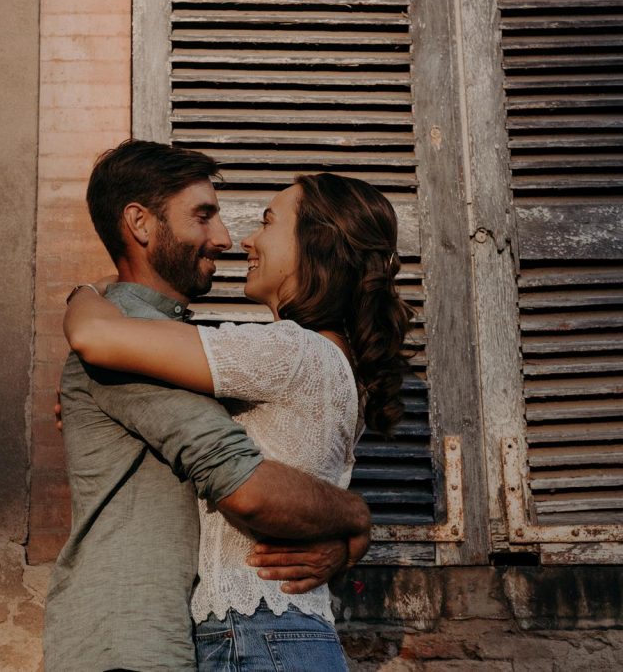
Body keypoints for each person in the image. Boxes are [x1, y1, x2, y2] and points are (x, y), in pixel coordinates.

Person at [44, 140, 375, 672]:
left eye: (264, 223)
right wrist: (355, 517)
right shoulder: (129, 342)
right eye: (204, 215)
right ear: (141, 223)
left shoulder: (176, 347)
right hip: (128, 640)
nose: (228, 238)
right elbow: (244, 484)